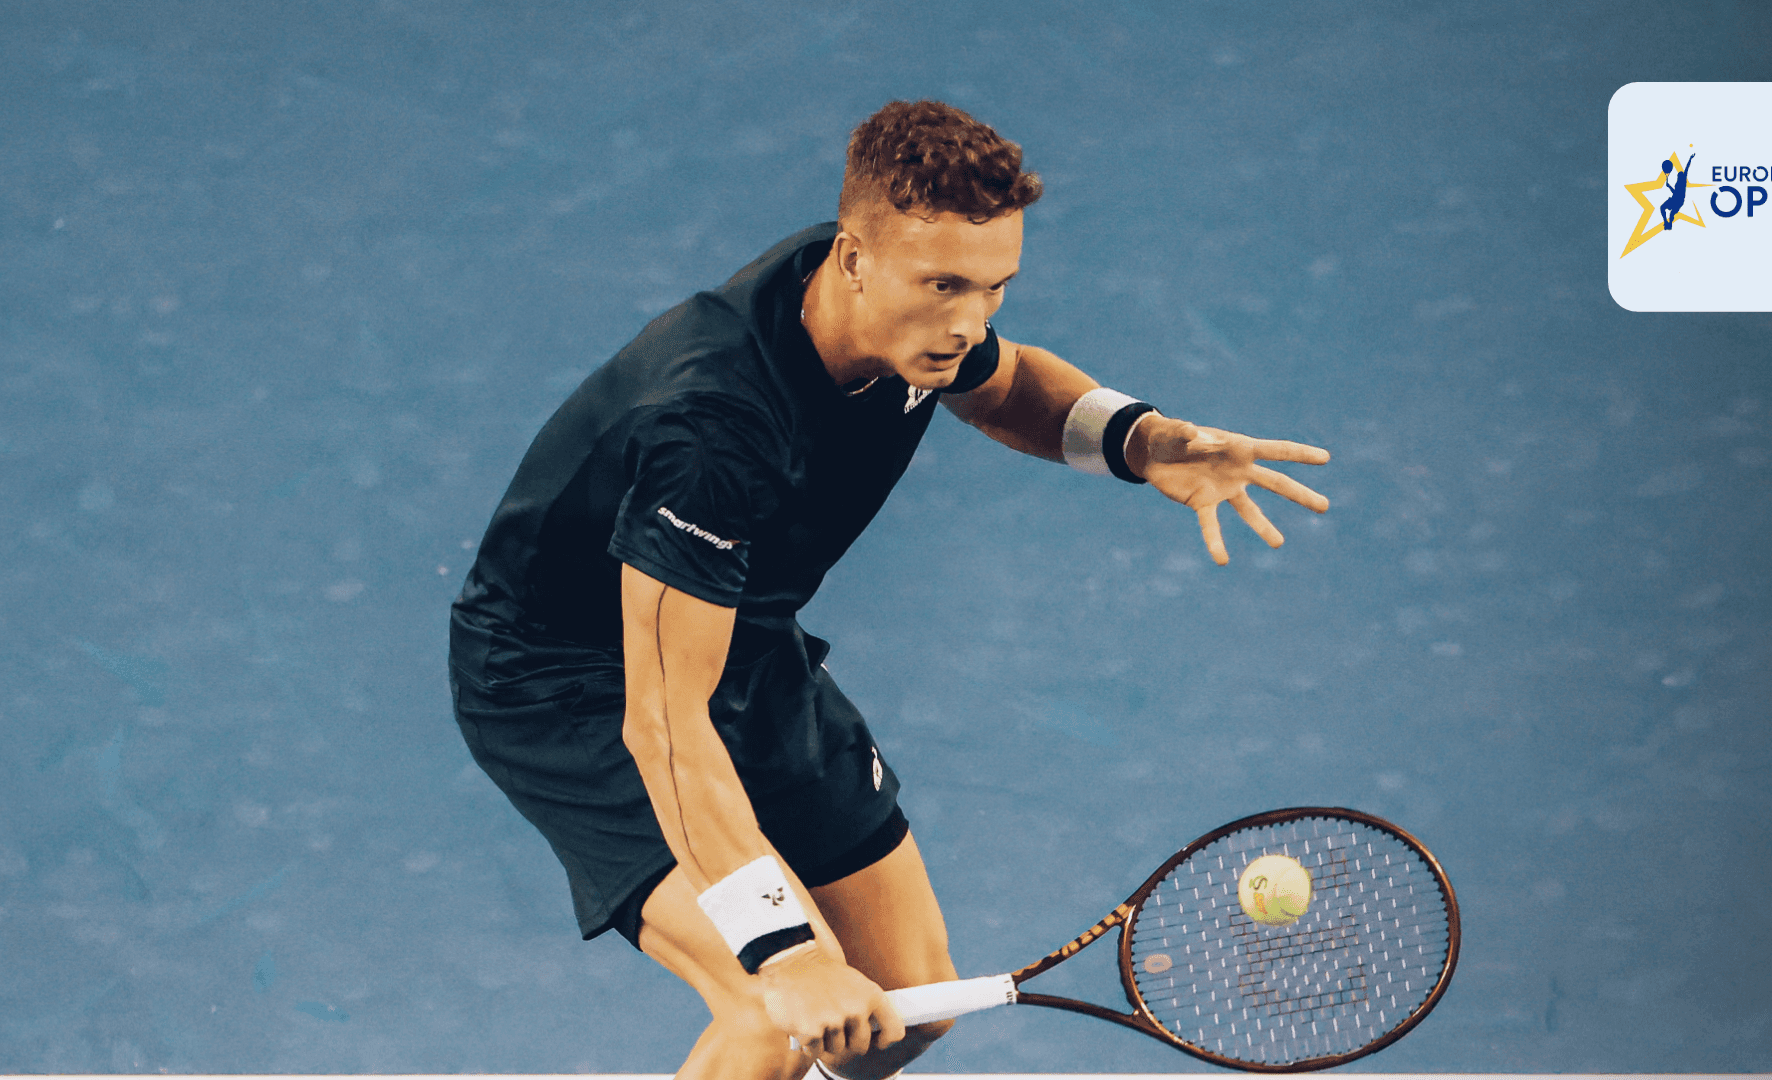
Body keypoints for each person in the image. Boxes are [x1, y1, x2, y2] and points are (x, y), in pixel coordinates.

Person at [448, 100, 1329, 1080]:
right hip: (567, 686)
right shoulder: (712, 430)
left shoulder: (891, 311)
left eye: (993, 287)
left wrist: (1138, 439)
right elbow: (662, 721)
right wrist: (787, 955)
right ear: (854, 259)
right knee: (778, 1012)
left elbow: (1007, 386)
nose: (967, 322)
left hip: (742, 636)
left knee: (904, 1002)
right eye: (943, 286)